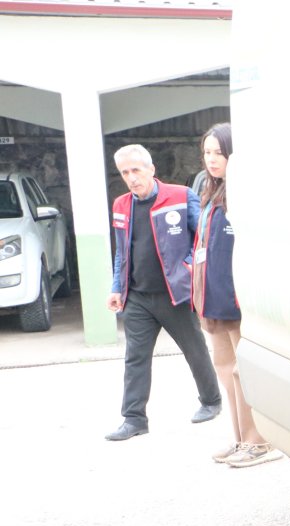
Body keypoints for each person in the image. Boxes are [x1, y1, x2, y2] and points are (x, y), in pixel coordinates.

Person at [105, 144, 222, 441]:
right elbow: (122, 251)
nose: (131, 178)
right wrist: (117, 287)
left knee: (194, 349)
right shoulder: (121, 205)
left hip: (175, 294)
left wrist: (187, 269)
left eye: (136, 170)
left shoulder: (181, 197)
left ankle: (211, 401)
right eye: (125, 173)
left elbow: (203, 240)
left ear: (151, 169)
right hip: (138, 297)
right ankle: (134, 419)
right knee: (135, 358)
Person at [193, 123, 282, 468]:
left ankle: (259, 441)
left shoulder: (245, 193)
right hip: (213, 296)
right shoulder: (210, 191)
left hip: (236, 297)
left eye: (219, 152)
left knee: (242, 370)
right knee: (224, 366)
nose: (212, 159)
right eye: (208, 152)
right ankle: (240, 438)